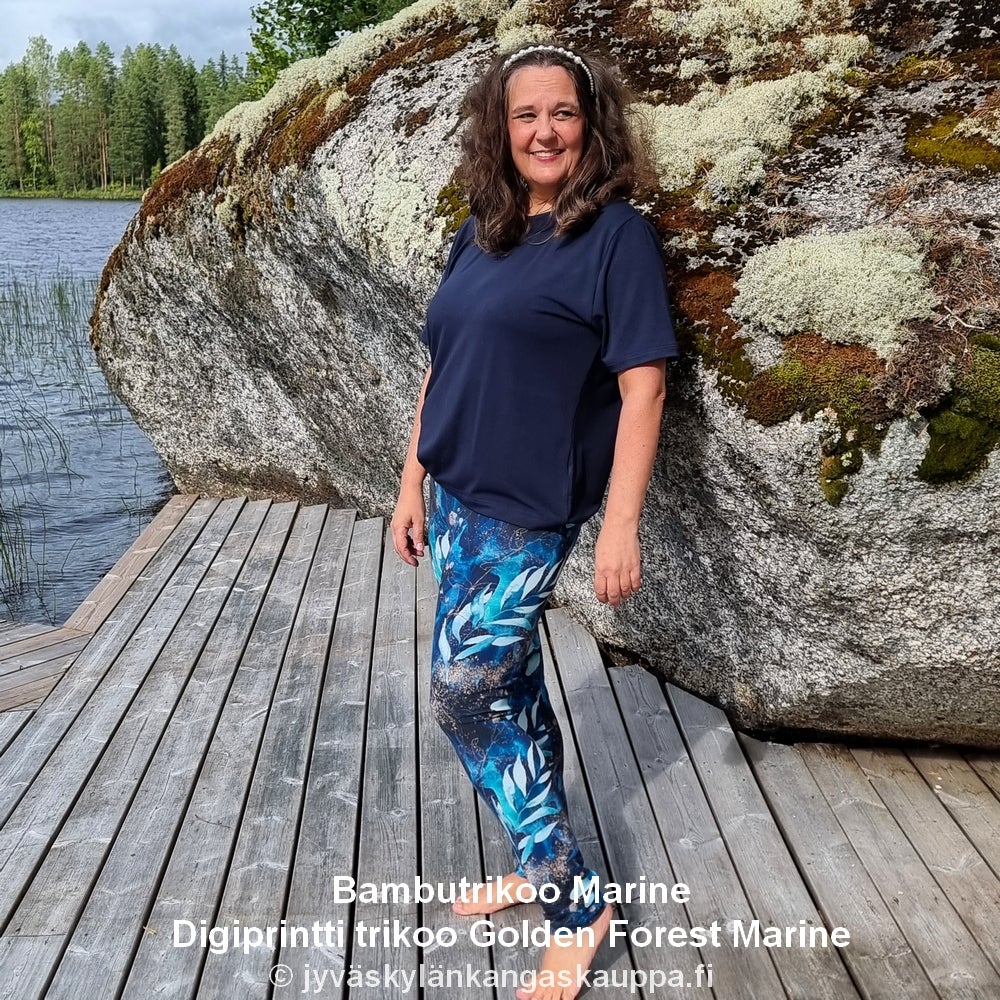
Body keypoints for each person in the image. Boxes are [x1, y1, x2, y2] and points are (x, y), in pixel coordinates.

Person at [391, 42, 677, 1000]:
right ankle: (533, 855)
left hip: (529, 514)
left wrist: (621, 524)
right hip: (459, 500)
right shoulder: (482, 233)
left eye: (563, 113)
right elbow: (441, 367)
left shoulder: (616, 239)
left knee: (463, 692)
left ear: (591, 124)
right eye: (525, 115)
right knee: (508, 685)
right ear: (500, 129)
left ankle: (573, 900)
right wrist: (411, 481)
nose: (544, 131)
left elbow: (643, 389)